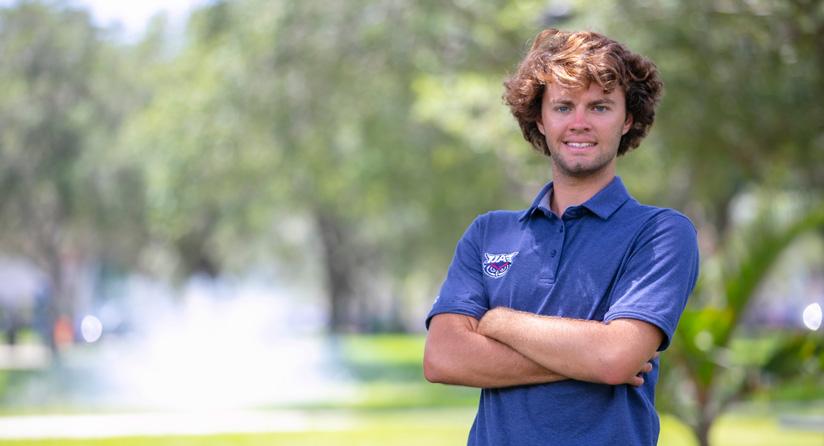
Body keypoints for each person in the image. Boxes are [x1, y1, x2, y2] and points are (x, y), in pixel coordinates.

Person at [423, 28, 700, 446]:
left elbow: (614, 358)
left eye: (600, 106)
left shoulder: (661, 233)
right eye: (563, 106)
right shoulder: (488, 234)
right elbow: (443, 358)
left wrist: (498, 322)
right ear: (540, 117)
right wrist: (587, 355)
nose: (579, 123)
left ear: (627, 119)